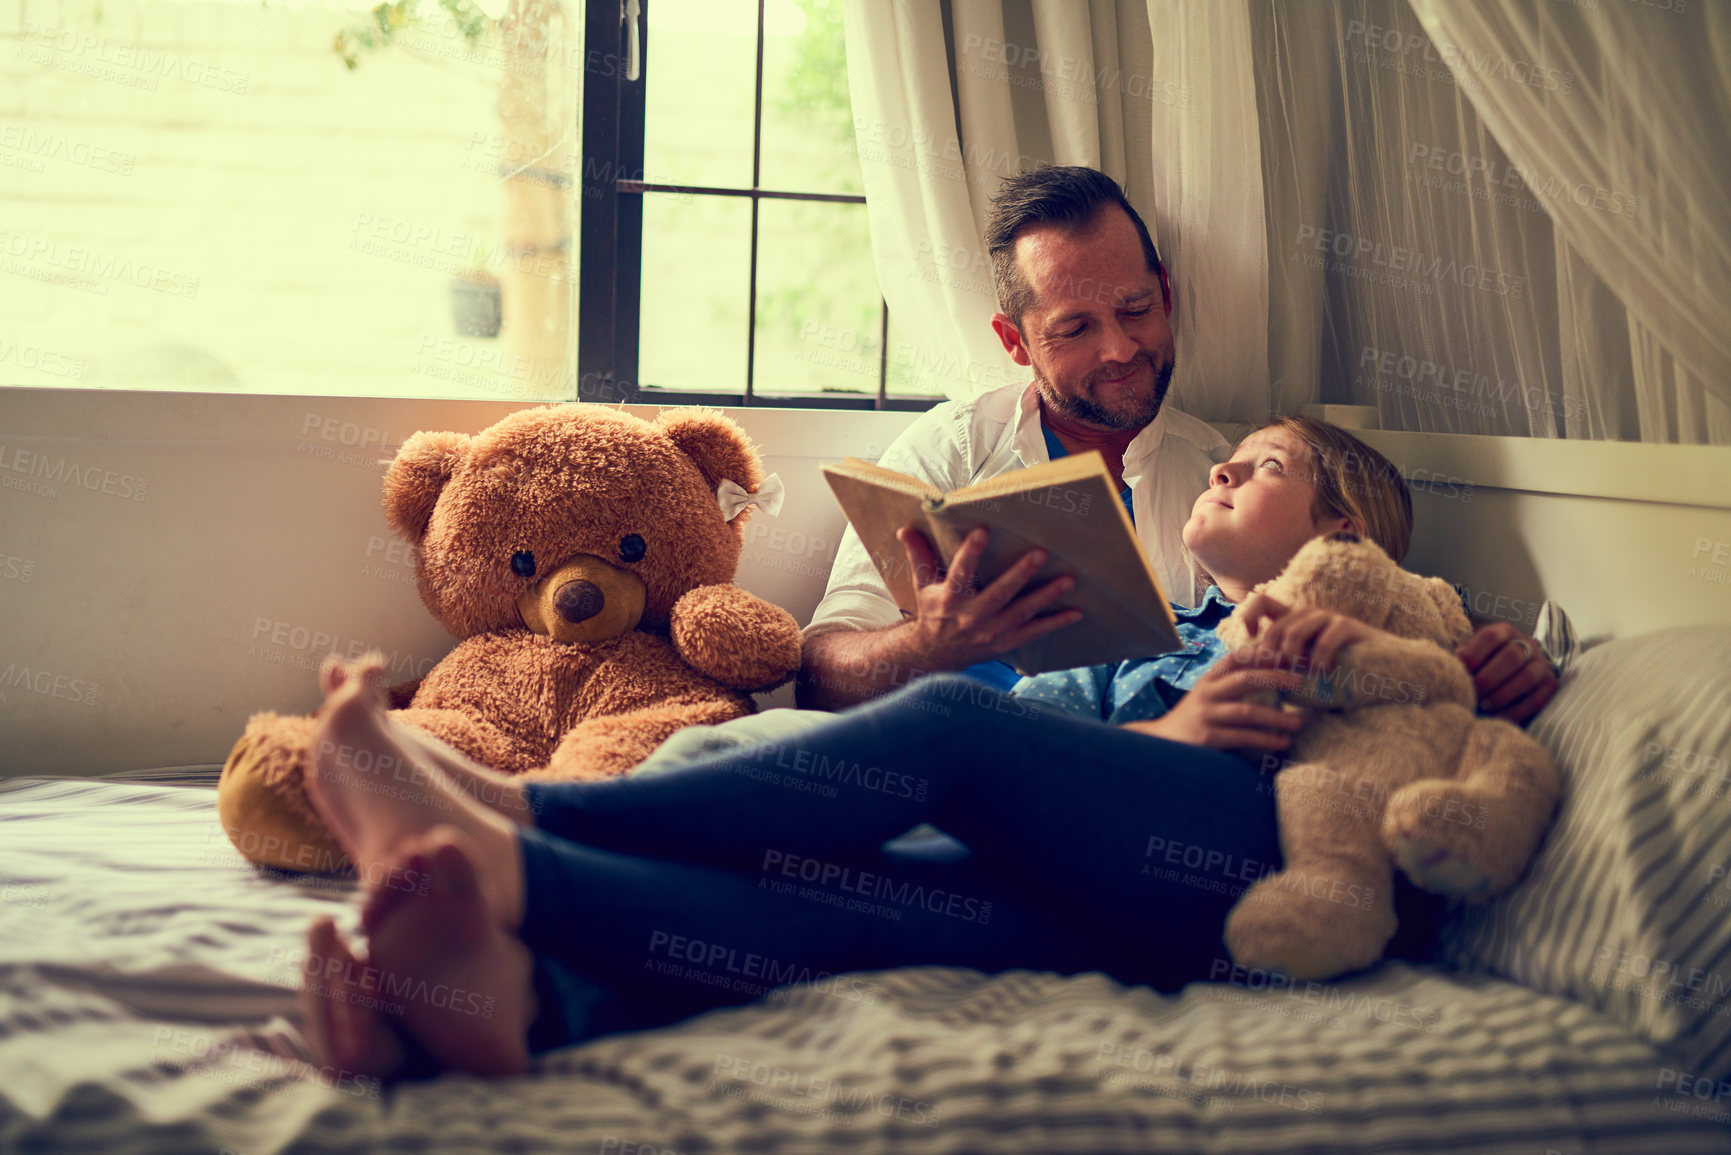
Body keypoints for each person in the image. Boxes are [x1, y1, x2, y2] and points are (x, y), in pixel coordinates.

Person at [297, 418, 1458, 1081]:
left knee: (958, 727)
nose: (1221, 469)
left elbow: (1444, 680)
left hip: (1254, 865)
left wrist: (1488, 660)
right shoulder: (1175, 628)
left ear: (1340, 529)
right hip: (1124, 899)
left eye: (1261, 467)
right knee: (853, 904)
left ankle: (521, 823)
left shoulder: (1364, 607)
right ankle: (494, 1003)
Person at [797, 165, 1558, 724]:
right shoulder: (949, 453)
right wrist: (930, 643)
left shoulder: (1224, 484)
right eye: (1074, 329)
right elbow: (819, 671)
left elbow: (1368, 596)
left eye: (1135, 308)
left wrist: (1495, 649)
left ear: (1166, 293)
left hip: (1107, 795)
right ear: (1014, 341)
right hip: (947, 765)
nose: (1121, 348)